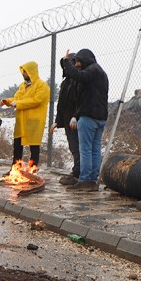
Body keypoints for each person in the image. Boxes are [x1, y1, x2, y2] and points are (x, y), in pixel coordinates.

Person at [61, 49, 109, 191]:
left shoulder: (92, 71)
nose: (76, 65)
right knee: (94, 150)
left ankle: (85, 180)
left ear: (85, 59)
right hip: (100, 117)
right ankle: (93, 180)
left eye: (78, 61)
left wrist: (66, 61)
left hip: (88, 117)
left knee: (85, 150)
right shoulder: (100, 73)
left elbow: (77, 76)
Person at [1, 61, 50, 173]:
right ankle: (15, 169)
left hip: (34, 121)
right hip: (21, 120)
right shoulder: (22, 86)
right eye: (22, 71)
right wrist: (8, 101)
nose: (23, 73)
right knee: (17, 145)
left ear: (31, 71)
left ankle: (33, 170)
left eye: (25, 71)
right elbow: (17, 98)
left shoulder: (42, 86)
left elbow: (36, 101)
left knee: (34, 146)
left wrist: (18, 104)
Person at [50, 51, 81, 186]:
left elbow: (81, 101)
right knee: (73, 147)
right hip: (68, 120)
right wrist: (57, 121)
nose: (65, 68)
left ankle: (79, 173)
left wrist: (76, 116)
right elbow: (61, 104)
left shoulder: (78, 81)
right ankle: (77, 171)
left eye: (67, 64)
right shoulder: (66, 83)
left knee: (79, 147)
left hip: (77, 121)